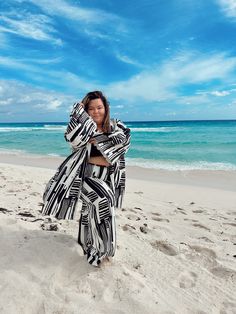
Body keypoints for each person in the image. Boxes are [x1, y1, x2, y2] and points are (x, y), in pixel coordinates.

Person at [41, 91, 131, 266]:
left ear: (106, 108)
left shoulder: (117, 126)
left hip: (108, 177)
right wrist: (77, 111)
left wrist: (97, 140)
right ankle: (103, 252)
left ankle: (84, 243)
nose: (96, 112)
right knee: (105, 201)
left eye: (99, 107)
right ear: (86, 111)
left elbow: (123, 145)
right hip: (83, 177)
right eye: (91, 109)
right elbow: (71, 138)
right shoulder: (81, 130)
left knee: (89, 210)